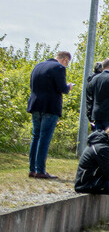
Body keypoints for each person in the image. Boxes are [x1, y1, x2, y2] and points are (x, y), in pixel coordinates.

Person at [27, 50, 73, 179]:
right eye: (67, 63)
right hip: (50, 106)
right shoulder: (58, 67)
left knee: (35, 137)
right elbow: (61, 88)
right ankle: (40, 170)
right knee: (44, 138)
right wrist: (68, 87)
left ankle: (32, 169)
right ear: (64, 60)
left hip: (35, 104)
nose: (66, 65)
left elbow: (32, 85)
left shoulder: (38, 66)